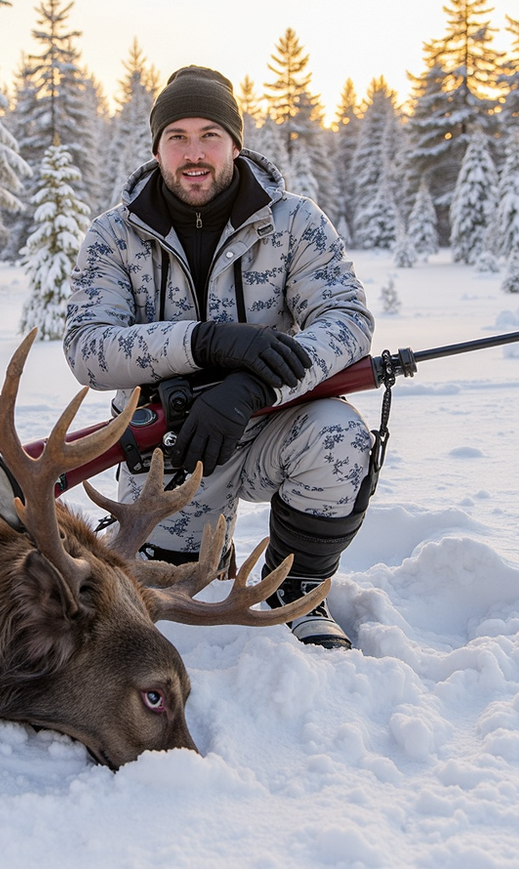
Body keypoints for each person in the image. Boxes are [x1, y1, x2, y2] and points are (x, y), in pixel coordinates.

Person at [63, 65, 375, 649]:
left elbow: (347, 320)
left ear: (236, 141)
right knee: (170, 592)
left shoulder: (294, 223)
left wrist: (255, 387)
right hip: (171, 449)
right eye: (176, 136)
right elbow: (87, 350)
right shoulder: (114, 236)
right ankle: (206, 543)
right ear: (157, 148)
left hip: (266, 428)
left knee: (339, 438)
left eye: (210, 134)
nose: (194, 152)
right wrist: (200, 341)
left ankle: (297, 593)